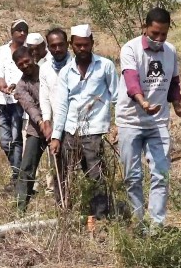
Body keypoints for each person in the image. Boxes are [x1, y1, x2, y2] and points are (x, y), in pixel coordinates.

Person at [116, 7, 181, 227]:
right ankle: (137, 223)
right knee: (133, 176)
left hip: (158, 122)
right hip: (131, 121)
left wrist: (177, 106)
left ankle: (156, 226)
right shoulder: (130, 49)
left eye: (163, 34)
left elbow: (174, 82)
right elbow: (131, 80)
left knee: (161, 174)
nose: (159, 39)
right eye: (155, 33)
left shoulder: (170, 51)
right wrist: (142, 102)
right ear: (145, 28)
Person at [50, 24, 118, 225]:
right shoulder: (66, 72)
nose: (82, 49)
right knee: (63, 173)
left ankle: (100, 217)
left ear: (92, 44)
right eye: (78, 45)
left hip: (95, 130)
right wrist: (56, 136)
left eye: (86, 45)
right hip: (70, 130)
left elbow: (117, 96)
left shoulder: (105, 66)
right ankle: (63, 211)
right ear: (72, 45)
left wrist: (118, 125)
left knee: (96, 174)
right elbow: (61, 106)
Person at [0, 19, 28, 190]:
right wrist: (1, 81)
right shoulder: (1, 51)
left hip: (20, 101)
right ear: (12, 32)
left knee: (16, 139)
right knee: (4, 139)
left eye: (24, 30)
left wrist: (15, 84)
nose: (22, 33)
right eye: (18, 30)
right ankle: (18, 171)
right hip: (3, 99)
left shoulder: (29, 51)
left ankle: (17, 177)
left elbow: (29, 72)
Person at [12, 47, 46, 210]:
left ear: (33, 56)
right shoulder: (21, 86)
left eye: (26, 61)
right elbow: (30, 107)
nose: (25, 66)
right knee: (27, 167)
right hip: (37, 128)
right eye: (20, 65)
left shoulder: (48, 71)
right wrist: (41, 123)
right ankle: (20, 207)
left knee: (62, 166)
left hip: (59, 126)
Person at [39, 28, 70, 194]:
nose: (57, 49)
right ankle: (60, 196)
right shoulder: (44, 68)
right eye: (53, 46)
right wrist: (47, 121)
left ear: (67, 44)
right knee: (57, 161)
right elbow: (44, 97)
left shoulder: (76, 65)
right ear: (48, 47)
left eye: (61, 45)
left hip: (74, 122)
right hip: (55, 121)